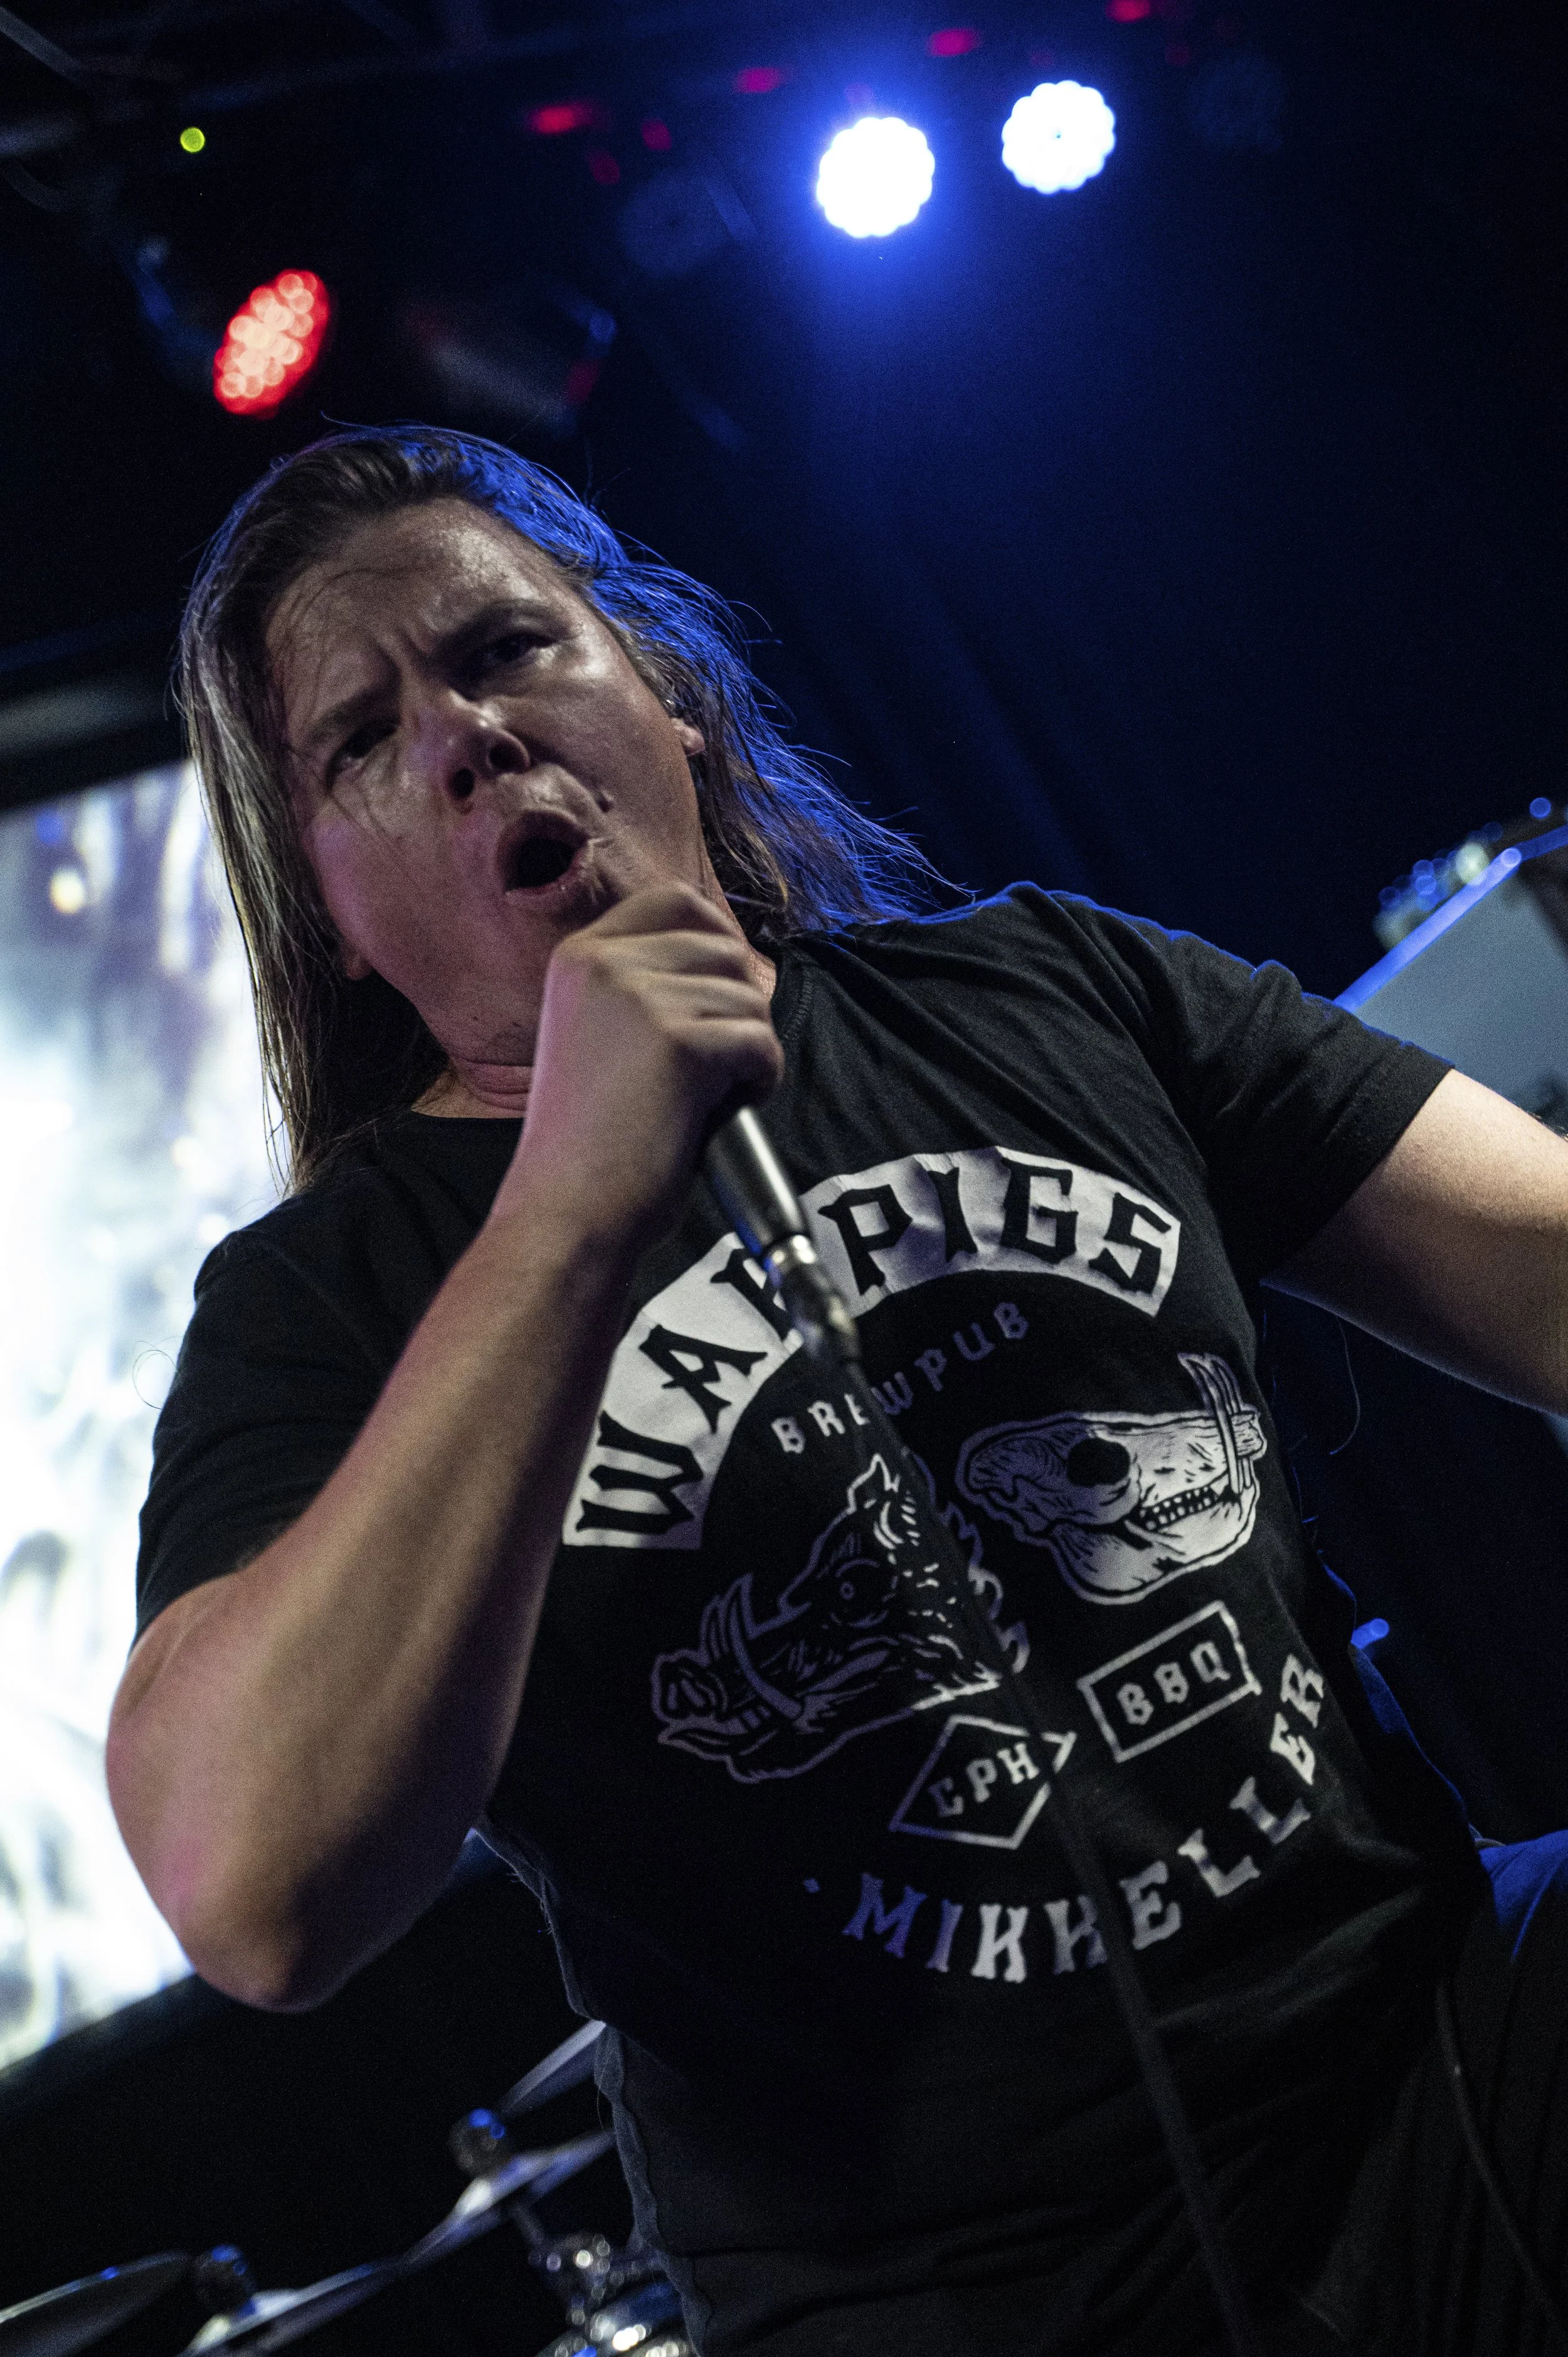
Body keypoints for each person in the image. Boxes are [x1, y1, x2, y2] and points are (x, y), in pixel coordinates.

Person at [108, 427, 1568, 2357]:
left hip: (1425, 2072)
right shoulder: (324, 1303)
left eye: (505, 649)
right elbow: (255, 1887)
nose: (464, 737)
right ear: (336, 912)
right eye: (359, 742)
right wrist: (563, 1204)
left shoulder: (1047, 993)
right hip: (924, 2301)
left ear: (673, 699)